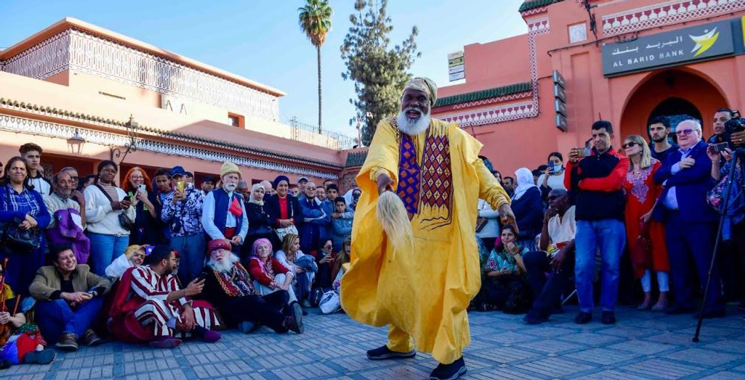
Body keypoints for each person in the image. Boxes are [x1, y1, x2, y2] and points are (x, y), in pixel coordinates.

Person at [340, 77, 516, 380]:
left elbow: (477, 169)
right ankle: (400, 344)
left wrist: (500, 200)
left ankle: (453, 358)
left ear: (430, 105)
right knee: (397, 287)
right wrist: (383, 177)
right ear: (401, 101)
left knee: (446, 295)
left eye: (421, 99)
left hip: (442, 237)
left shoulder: (452, 135)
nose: (414, 104)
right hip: (401, 229)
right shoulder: (390, 127)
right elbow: (383, 153)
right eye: (409, 97)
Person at [654, 119, 725, 318]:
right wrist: (676, 168)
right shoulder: (673, 155)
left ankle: (713, 305)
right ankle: (684, 301)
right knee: (678, 262)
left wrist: (671, 178)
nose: (682, 135)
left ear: (699, 132)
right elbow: (657, 177)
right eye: (678, 133)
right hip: (673, 218)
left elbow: (698, 173)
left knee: (704, 261)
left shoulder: (706, 150)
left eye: (687, 131)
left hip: (698, 216)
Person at [565, 120, 629, 325]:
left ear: (611, 136)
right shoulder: (582, 160)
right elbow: (570, 185)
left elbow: (613, 184)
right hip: (585, 222)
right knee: (582, 266)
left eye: (602, 135)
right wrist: (571, 164)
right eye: (594, 135)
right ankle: (585, 308)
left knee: (611, 266)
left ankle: (608, 308)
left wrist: (585, 183)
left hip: (612, 220)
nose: (598, 139)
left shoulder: (621, 160)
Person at [108, 245, 220, 348]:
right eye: (173, 260)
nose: (175, 264)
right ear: (164, 262)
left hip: (164, 313)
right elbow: (149, 295)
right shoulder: (138, 272)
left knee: (200, 308)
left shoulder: (169, 277)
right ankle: (194, 329)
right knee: (154, 303)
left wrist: (188, 308)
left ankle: (163, 336)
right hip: (140, 315)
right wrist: (186, 291)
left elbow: (179, 294)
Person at [199, 239, 303, 334]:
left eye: (221, 251)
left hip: (251, 301)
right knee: (252, 300)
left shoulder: (238, 266)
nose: (217, 254)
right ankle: (285, 322)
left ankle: (253, 321)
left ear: (228, 253)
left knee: (282, 295)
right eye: (214, 252)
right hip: (230, 308)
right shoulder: (208, 271)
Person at [29, 243, 110, 351]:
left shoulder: (82, 270)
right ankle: (85, 331)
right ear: (55, 263)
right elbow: (34, 288)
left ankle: (71, 333)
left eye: (71, 256)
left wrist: (90, 295)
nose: (70, 260)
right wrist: (66, 295)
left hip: (71, 328)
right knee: (58, 302)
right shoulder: (45, 272)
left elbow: (105, 282)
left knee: (97, 296)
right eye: (64, 258)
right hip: (55, 326)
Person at [622, 135, 670, 311]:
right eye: (625, 145)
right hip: (633, 218)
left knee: (659, 252)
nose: (627, 147)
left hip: (653, 215)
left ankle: (663, 295)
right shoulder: (624, 171)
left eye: (631, 144)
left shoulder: (655, 165)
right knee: (639, 254)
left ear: (641, 146)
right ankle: (647, 295)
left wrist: (652, 211)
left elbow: (661, 190)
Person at [523, 189, 576, 324]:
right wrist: (546, 222)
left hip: (574, 254)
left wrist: (563, 251)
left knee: (561, 261)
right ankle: (553, 304)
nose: (550, 202)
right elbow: (543, 246)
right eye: (548, 200)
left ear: (565, 199)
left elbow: (580, 236)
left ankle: (540, 311)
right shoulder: (552, 218)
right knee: (530, 257)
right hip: (554, 254)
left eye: (553, 198)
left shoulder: (575, 211)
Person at [0, 157, 51, 296]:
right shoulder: (1, 192)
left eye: (22, 168)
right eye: (14, 168)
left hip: (33, 246)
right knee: (9, 285)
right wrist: (21, 215)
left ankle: (25, 315)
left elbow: (46, 217)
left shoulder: (34, 194)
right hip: (9, 247)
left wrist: (34, 222)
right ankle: (8, 315)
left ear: (26, 173)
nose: (18, 171)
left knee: (30, 284)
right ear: (8, 172)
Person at [0, 260, 56, 369]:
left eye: (1, 273)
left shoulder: (6, 294)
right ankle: (23, 356)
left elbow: (22, 321)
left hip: (6, 339)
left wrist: (10, 318)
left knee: (31, 328)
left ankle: (38, 352)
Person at [84, 160, 135, 276]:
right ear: (99, 172)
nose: (110, 173)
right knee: (103, 271)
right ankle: (101, 294)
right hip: (102, 236)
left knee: (120, 271)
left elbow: (132, 216)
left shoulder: (121, 191)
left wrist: (127, 207)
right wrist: (109, 207)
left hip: (122, 236)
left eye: (113, 171)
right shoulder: (91, 190)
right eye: (106, 170)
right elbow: (87, 215)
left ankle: (115, 295)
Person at [162, 166, 205, 285]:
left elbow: (202, 213)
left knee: (196, 267)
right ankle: (182, 296)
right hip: (176, 237)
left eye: (180, 177)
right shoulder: (169, 197)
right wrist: (173, 203)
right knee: (178, 268)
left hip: (195, 236)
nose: (178, 180)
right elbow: (164, 218)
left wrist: (186, 199)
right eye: (174, 178)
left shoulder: (198, 193)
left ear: (186, 177)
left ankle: (196, 297)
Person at [472, 226, 531, 313]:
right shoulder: (496, 251)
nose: (506, 237)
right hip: (501, 281)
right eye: (503, 235)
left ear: (515, 237)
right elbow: (489, 273)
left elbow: (526, 269)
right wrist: (501, 272)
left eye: (510, 235)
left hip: (518, 282)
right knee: (488, 289)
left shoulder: (523, 250)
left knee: (518, 289)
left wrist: (514, 252)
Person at [202, 162, 248, 254]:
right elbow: (207, 221)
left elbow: (244, 220)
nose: (233, 181)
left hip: (235, 241)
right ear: (222, 178)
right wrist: (221, 239)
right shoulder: (213, 195)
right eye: (230, 177)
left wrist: (240, 235)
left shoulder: (238, 198)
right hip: (216, 240)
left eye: (236, 178)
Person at [44, 171, 90, 264]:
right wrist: (67, 217)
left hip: (73, 247)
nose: (67, 185)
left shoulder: (74, 204)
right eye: (63, 182)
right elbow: (49, 223)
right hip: (54, 245)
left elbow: (81, 227)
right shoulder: (47, 200)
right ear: (55, 185)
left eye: (69, 182)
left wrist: (82, 205)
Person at [248, 238, 298, 304]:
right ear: (256, 251)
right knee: (257, 281)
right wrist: (278, 285)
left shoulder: (272, 260)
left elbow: (288, 271)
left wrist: (285, 286)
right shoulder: (253, 261)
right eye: (260, 248)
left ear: (269, 250)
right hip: (260, 287)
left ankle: (292, 303)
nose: (263, 249)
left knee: (282, 276)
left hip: (272, 287)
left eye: (265, 247)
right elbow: (259, 275)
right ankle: (292, 304)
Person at [123, 167, 160, 246]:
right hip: (131, 235)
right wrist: (133, 204)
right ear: (129, 179)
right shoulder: (124, 193)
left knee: (150, 257)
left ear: (144, 179)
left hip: (150, 236)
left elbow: (157, 216)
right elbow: (123, 215)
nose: (138, 179)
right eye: (134, 176)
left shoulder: (151, 194)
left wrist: (145, 200)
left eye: (140, 176)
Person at [275, 234, 315, 308]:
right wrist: (295, 267)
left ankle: (301, 300)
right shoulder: (280, 254)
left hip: (297, 277)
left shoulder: (298, 253)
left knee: (305, 272)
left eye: (298, 243)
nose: (298, 246)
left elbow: (311, 265)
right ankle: (293, 304)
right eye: (296, 244)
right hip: (285, 278)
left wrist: (292, 264)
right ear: (289, 244)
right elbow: (286, 267)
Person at [244, 183, 280, 261]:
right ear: (252, 192)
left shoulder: (266, 206)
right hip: (252, 236)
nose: (259, 194)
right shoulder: (247, 206)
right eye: (257, 191)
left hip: (268, 235)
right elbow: (251, 220)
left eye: (262, 192)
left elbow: (272, 219)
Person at [511, 168, 543, 252]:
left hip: (527, 230)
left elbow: (536, 210)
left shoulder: (533, 191)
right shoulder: (517, 191)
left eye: (516, 176)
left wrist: (521, 223)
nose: (514, 179)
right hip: (516, 229)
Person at [265, 175, 303, 242]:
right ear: (276, 187)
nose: (283, 188)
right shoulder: (270, 201)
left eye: (286, 185)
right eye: (281, 185)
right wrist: (279, 222)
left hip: (291, 235)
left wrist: (291, 221)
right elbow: (268, 217)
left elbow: (300, 216)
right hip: (275, 234)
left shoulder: (294, 200)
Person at [298, 181, 329, 253]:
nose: (311, 190)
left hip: (320, 239)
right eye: (308, 188)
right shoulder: (299, 202)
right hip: (305, 238)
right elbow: (305, 213)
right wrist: (319, 214)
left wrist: (310, 220)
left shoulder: (321, 203)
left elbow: (327, 219)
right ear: (305, 190)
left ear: (315, 191)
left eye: (313, 188)